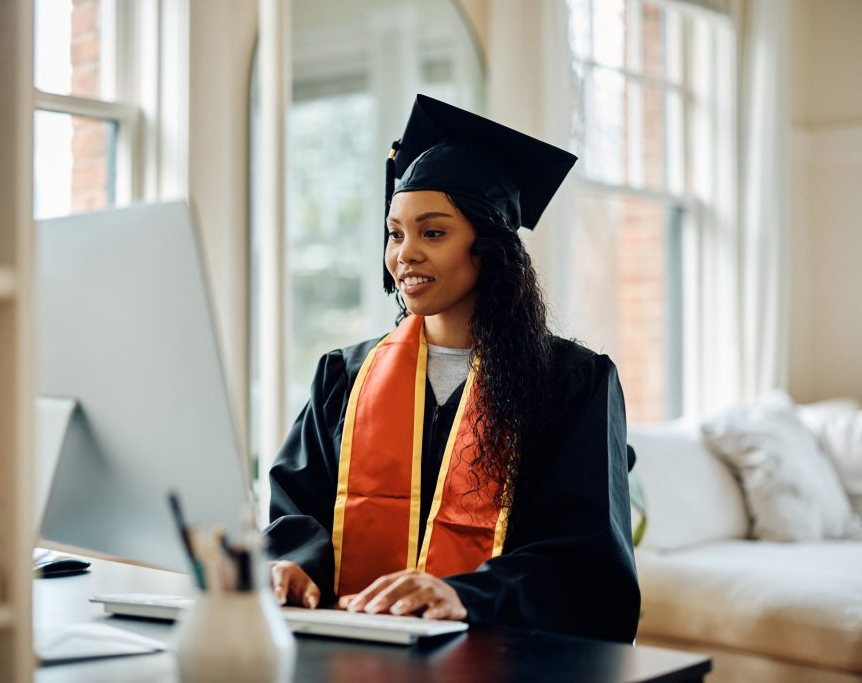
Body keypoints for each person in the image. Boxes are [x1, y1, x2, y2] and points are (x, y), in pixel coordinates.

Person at [264, 95, 640, 643]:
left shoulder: (571, 382)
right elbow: (297, 512)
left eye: (433, 232)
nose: (404, 254)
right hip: (347, 648)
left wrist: (464, 595)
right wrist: (291, 565)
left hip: (502, 655)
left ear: (487, 247)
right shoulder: (345, 376)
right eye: (395, 233)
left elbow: (585, 563)